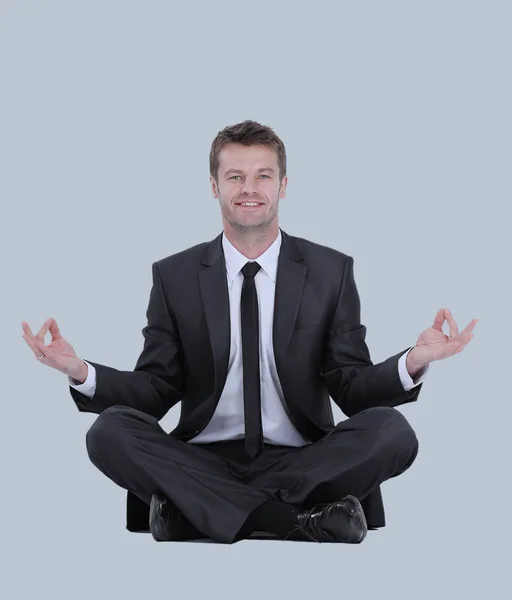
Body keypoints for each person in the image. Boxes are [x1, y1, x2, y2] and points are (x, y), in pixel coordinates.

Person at [21, 120, 478, 545]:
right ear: (214, 186)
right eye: (235, 176)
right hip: (202, 456)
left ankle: (198, 512)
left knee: (392, 431)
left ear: (282, 185)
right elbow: (156, 389)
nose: (249, 189)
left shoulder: (330, 270)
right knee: (109, 432)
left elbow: (352, 387)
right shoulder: (174, 275)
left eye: (263, 175)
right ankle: (292, 520)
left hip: (302, 458)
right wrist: (81, 371)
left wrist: (413, 361)